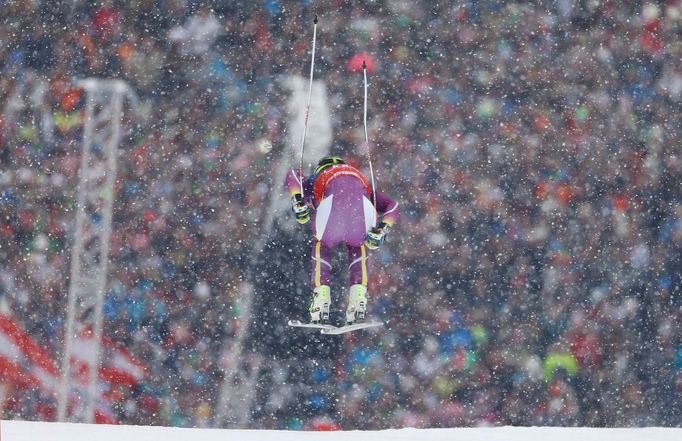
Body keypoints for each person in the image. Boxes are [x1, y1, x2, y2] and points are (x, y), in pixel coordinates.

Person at [285, 156, 400, 324]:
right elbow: (393, 205)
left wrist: (297, 199)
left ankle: (321, 299)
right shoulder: (359, 177)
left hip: (333, 208)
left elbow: (291, 176)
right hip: (361, 209)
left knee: (322, 246)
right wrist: (383, 228)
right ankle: (358, 298)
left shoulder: (318, 177)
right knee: (358, 246)